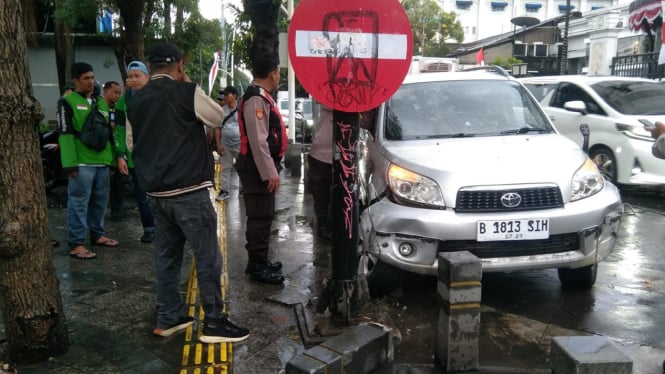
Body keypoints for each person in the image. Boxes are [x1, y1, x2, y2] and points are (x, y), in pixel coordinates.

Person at [126, 42, 249, 342]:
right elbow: (217, 117)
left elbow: (132, 145)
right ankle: (215, 322)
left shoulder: (135, 101)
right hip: (189, 191)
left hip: (156, 194)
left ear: (150, 66)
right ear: (179, 65)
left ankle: (169, 317)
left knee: (167, 257)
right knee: (207, 256)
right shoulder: (186, 92)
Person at [57, 62, 119, 260]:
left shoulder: (101, 102)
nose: (91, 82)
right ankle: (76, 243)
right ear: (76, 81)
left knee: (100, 201)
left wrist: (113, 159)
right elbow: (65, 134)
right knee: (78, 203)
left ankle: (97, 234)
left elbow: (109, 132)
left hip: (102, 161)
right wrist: (70, 164)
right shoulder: (67, 102)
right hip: (82, 163)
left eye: (92, 77)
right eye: (86, 78)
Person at [236, 60, 288, 285]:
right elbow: (258, 141)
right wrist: (269, 172)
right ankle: (257, 266)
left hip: (260, 166)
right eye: (278, 73)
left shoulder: (261, 95)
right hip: (257, 168)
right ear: (273, 73)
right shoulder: (256, 98)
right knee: (259, 216)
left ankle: (259, 259)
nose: (279, 77)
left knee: (264, 215)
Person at [114, 60, 156, 243]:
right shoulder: (123, 102)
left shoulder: (157, 96)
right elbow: (120, 130)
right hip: (135, 157)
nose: (133, 80)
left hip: (158, 155)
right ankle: (149, 228)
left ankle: (167, 229)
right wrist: (120, 155)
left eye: (137, 76)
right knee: (141, 195)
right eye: (130, 76)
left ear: (147, 77)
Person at [307, 103, 333, 240]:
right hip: (321, 155)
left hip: (343, 156)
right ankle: (322, 226)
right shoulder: (328, 98)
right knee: (321, 193)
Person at [102, 81, 127, 222]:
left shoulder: (118, 108)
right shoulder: (99, 107)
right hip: (104, 153)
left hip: (117, 152)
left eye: (119, 93)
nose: (118, 95)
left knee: (119, 183)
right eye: (115, 92)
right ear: (106, 91)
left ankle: (116, 210)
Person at [214, 86, 241, 201]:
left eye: (227, 94)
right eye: (224, 95)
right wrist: (218, 144)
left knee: (242, 167)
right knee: (226, 168)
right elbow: (217, 129)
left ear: (234, 96)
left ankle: (244, 189)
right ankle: (225, 190)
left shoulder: (241, 110)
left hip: (240, 143)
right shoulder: (222, 111)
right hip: (226, 144)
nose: (224, 97)